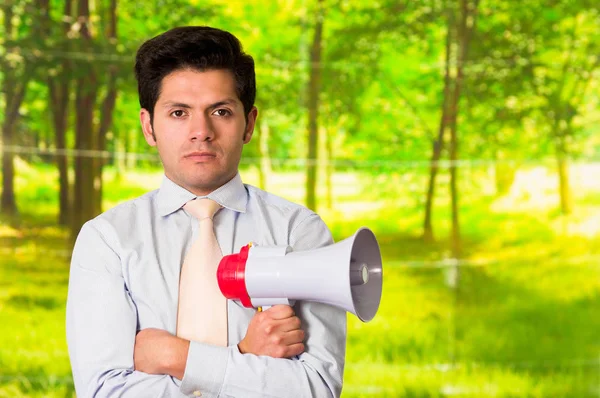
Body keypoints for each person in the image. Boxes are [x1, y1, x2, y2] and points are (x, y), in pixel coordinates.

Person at [66, 26, 346, 398]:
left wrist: (173, 355)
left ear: (248, 124)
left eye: (221, 111)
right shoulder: (108, 240)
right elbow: (104, 391)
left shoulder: (299, 233)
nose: (202, 131)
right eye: (179, 112)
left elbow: (316, 388)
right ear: (149, 127)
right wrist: (246, 357)